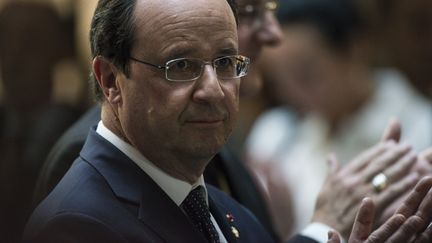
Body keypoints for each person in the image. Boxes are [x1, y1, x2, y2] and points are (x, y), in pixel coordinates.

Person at [27, 0, 431, 242]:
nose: (214, 90)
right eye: (180, 65)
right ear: (111, 80)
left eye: (225, 63)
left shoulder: (209, 200)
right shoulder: (75, 225)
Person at [244, 0, 432, 238]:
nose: (294, 94)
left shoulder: (422, 126)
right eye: (280, 82)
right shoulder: (276, 134)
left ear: (354, 48)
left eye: (306, 74)